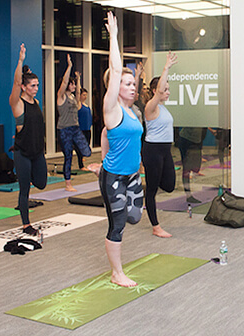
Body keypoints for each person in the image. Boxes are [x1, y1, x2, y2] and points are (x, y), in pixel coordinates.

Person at [100, 11, 144, 287]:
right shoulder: (112, 108)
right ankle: (117, 273)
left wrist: (102, 155)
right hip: (115, 176)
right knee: (117, 224)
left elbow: (107, 136)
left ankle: (117, 264)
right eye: (127, 84)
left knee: (134, 217)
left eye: (133, 83)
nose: (133, 86)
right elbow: (116, 70)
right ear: (114, 88)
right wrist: (114, 37)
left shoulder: (133, 112)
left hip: (131, 174)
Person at [10, 44, 48, 234]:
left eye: (37, 85)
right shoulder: (17, 104)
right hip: (22, 152)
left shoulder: (37, 103)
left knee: (41, 183)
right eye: (32, 85)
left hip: (37, 152)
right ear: (24, 87)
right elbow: (17, 83)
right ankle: (26, 224)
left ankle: (29, 174)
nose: (36, 88)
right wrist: (20, 61)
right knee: (24, 189)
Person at [141, 51, 179, 239]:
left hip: (165, 151)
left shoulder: (163, 108)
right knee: (153, 190)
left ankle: (144, 189)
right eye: (165, 89)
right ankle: (156, 226)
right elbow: (159, 90)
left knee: (170, 185)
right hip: (153, 151)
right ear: (157, 91)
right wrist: (166, 67)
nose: (168, 92)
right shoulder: (151, 107)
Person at [57, 55, 91, 191]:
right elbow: (64, 83)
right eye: (72, 84)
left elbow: (78, 93)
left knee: (87, 151)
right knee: (68, 156)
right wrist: (69, 66)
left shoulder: (72, 97)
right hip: (64, 129)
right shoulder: (61, 96)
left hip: (75, 128)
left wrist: (78, 80)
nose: (73, 86)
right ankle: (68, 183)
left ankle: (82, 163)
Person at [77, 87, 93, 169]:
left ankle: (82, 157)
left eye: (86, 95)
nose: (85, 97)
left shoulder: (86, 105)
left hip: (87, 128)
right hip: (81, 129)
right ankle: (81, 165)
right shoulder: (79, 105)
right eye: (83, 95)